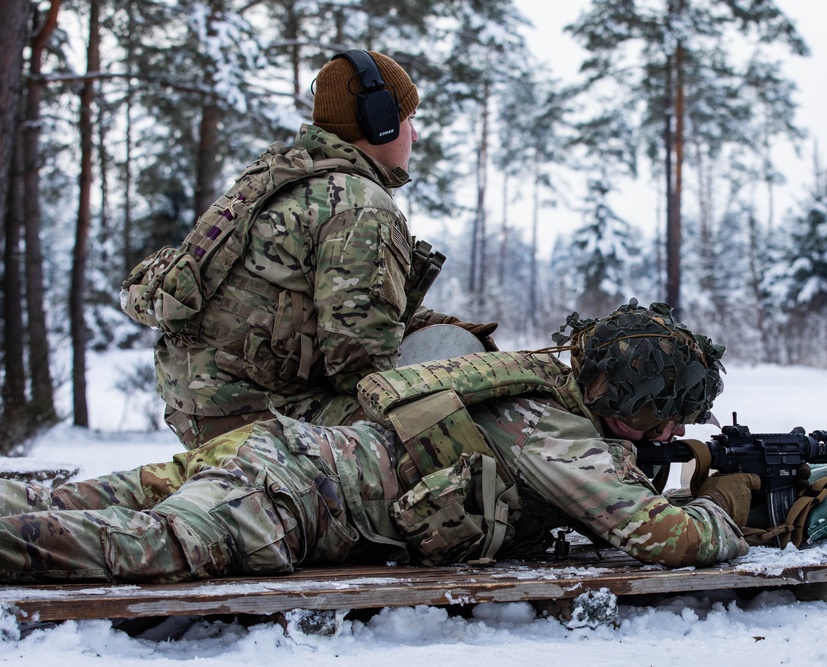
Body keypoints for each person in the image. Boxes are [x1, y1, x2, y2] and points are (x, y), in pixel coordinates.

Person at [0, 302, 758, 584]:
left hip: (275, 456)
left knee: (58, 499)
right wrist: (724, 505)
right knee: (116, 545)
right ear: (631, 404)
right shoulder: (552, 427)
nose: (674, 434)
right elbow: (658, 535)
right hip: (283, 500)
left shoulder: (537, 388)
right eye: (667, 417)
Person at [121, 49, 493, 450]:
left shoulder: (287, 175)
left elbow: (342, 306)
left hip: (196, 402)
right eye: (409, 119)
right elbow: (361, 368)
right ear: (380, 123)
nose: (415, 135)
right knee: (441, 427)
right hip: (253, 414)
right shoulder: (359, 203)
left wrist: (448, 329)